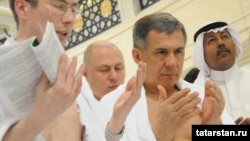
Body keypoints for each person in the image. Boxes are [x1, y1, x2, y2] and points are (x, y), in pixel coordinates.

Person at [100, 12, 234, 141]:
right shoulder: (113, 105)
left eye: (178, 51)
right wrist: (160, 137)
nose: (172, 63)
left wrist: (210, 126)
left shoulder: (204, 96)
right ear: (138, 56)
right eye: (162, 52)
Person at [0, 0, 84, 141]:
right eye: (59, 7)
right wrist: (39, 118)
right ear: (22, 8)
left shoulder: (74, 75)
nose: (70, 19)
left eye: (74, 10)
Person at [192, 21, 250, 124]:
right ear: (202, 54)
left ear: (234, 44)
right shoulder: (196, 96)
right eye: (212, 40)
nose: (220, 43)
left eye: (224, 36)